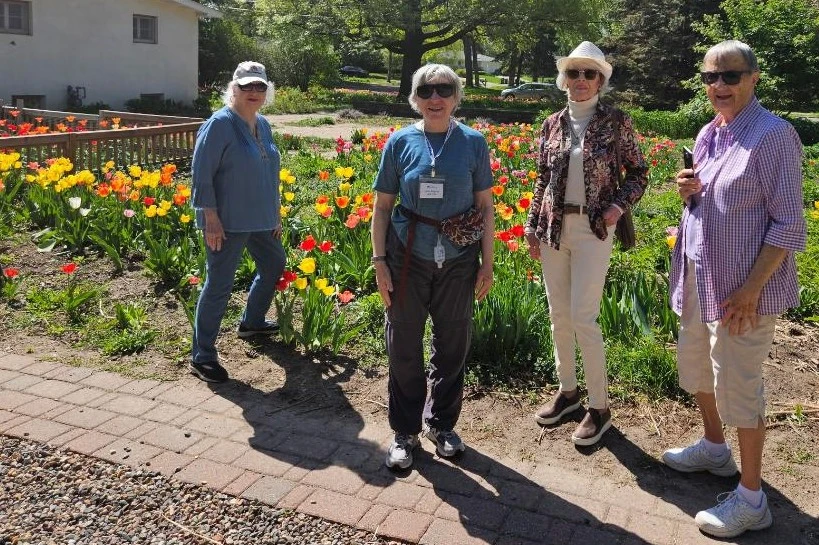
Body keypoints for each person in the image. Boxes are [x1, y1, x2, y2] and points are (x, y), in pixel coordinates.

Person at [663, 40, 806, 538]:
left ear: (753, 77)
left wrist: (749, 292)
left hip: (743, 292)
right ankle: (714, 448)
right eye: (710, 77)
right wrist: (691, 191)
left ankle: (751, 500)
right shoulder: (710, 133)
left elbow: (788, 226)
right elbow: (712, 200)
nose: (718, 86)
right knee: (698, 366)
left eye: (729, 76)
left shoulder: (773, 136)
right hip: (699, 276)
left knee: (739, 387)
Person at [371, 64, 495, 469]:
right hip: (407, 257)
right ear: (416, 98)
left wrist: (487, 265)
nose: (436, 98)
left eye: (444, 90)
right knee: (404, 344)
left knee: (453, 344)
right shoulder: (400, 142)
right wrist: (380, 263)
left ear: (456, 96)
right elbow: (382, 207)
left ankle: (442, 424)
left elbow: (485, 208)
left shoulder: (473, 143)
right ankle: (404, 431)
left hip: (459, 259)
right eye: (427, 91)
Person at [525, 41, 648, 446]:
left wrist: (615, 208)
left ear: (601, 80)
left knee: (583, 316)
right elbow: (542, 179)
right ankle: (568, 391)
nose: (581, 80)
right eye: (574, 72)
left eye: (589, 73)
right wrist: (530, 226)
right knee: (558, 313)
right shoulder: (552, 124)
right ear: (564, 79)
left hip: (594, 229)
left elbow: (640, 172)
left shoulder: (616, 122)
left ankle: (600, 405)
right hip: (554, 228)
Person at [189, 61, 286, 383]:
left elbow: (270, 171)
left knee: (274, 263)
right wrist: (210, 218)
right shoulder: (219, 124)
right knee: (218, 285)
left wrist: (275, 213)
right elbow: (201, 174)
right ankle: (202, 356)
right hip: (227, 221)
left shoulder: (264, 124)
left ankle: (252, 322)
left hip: (260, 218)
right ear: (234, 89)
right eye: (247, 86)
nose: (254, 92)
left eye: (260, 86)